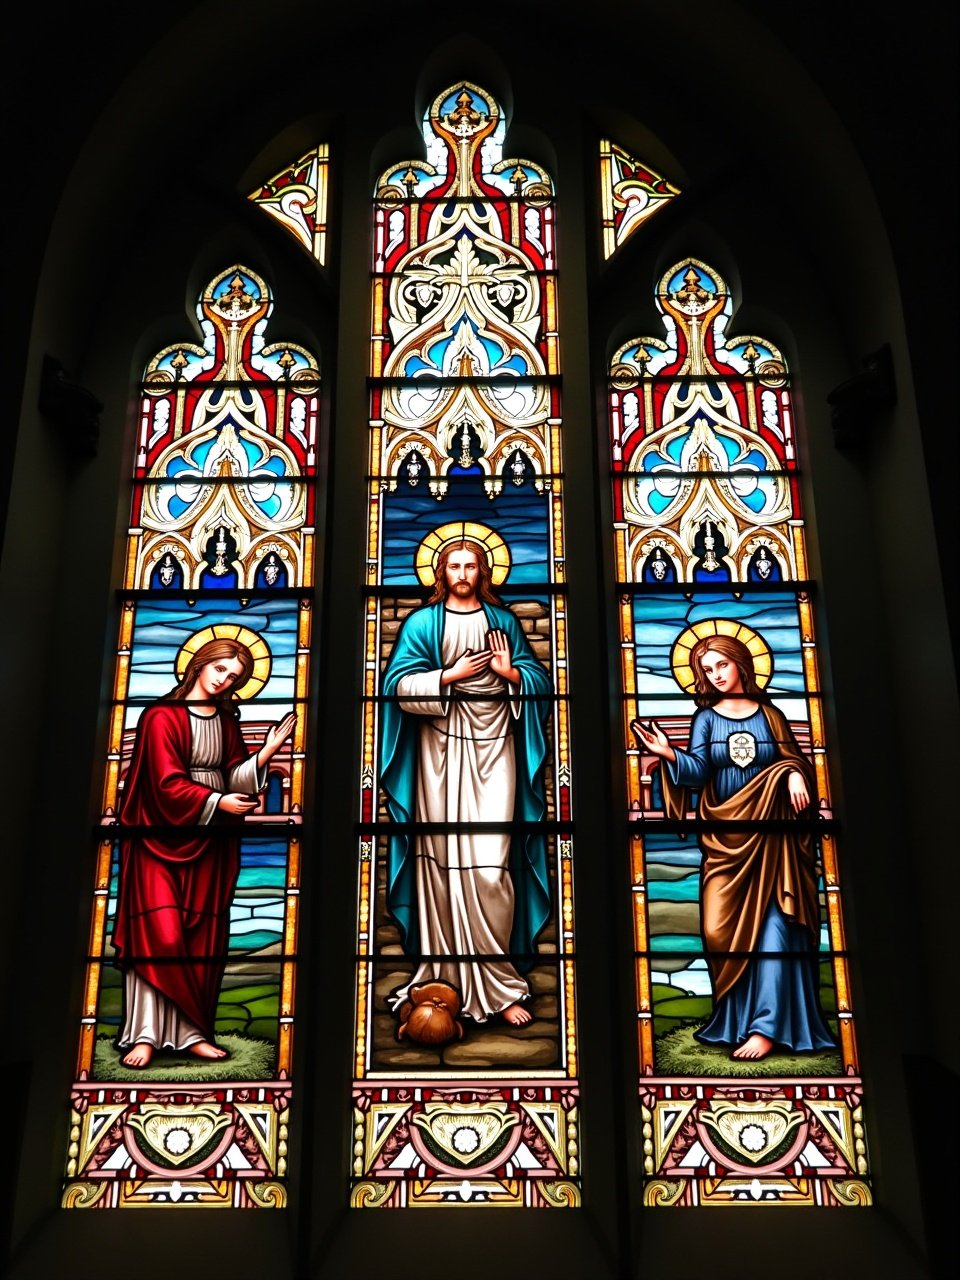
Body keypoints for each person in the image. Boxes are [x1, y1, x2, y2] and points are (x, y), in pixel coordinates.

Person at [631, 632, 835, 1060]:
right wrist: (669, 755)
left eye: (722, 665)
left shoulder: (771, 714)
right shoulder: (705, 718)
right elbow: (699, 769)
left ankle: (768, 1027)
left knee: (776, 933)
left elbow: (792, 759)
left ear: (741, 662)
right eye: (707, 670)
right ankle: (735, 1020)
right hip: (725, 842)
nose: (716, 675)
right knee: (719, 931)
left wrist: (795, 773)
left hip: (773, 841)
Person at [379, 539, 552, 1027]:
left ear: (484, 571)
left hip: (497, 744)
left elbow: (539, 684)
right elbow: (395, 688)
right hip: (438, 754)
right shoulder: (421, 624)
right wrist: (446, 676)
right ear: (440, 570)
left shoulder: (504, 624)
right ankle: (443, 978)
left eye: (470, 565)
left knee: (489, 866)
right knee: (441, 862)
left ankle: (498, 983)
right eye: (453, 565)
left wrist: (512, 674)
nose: (461, 572)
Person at [113, 637, 296, 1068]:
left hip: (211, 840)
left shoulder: (227, 721)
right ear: (199, 664)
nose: (224, 680)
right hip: (159, 837)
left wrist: (266, 753)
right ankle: (143, 1034)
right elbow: (163, 782)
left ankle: (193, 1032)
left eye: (234, 677)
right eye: (220, 670)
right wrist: (217, 802)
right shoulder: (161, 716)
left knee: (202, 937)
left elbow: (234, 774)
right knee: (160, 933)